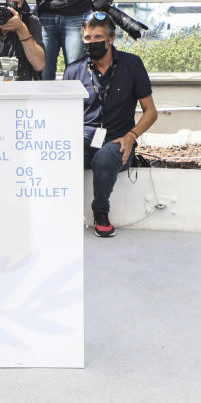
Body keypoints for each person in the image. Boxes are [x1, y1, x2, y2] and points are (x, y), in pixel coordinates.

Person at [62, 12, 158, 237]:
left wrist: (131, 136)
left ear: (111, 39)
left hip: (119, 138)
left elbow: (151, 112)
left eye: (97, 37)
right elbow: (65, 116)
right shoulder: (73, 70)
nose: (92, 42)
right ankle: (61, 211)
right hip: (85, 136)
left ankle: (101, 211)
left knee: (105, 156)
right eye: (87, 38)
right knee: (63, 151)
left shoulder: (132, 65)